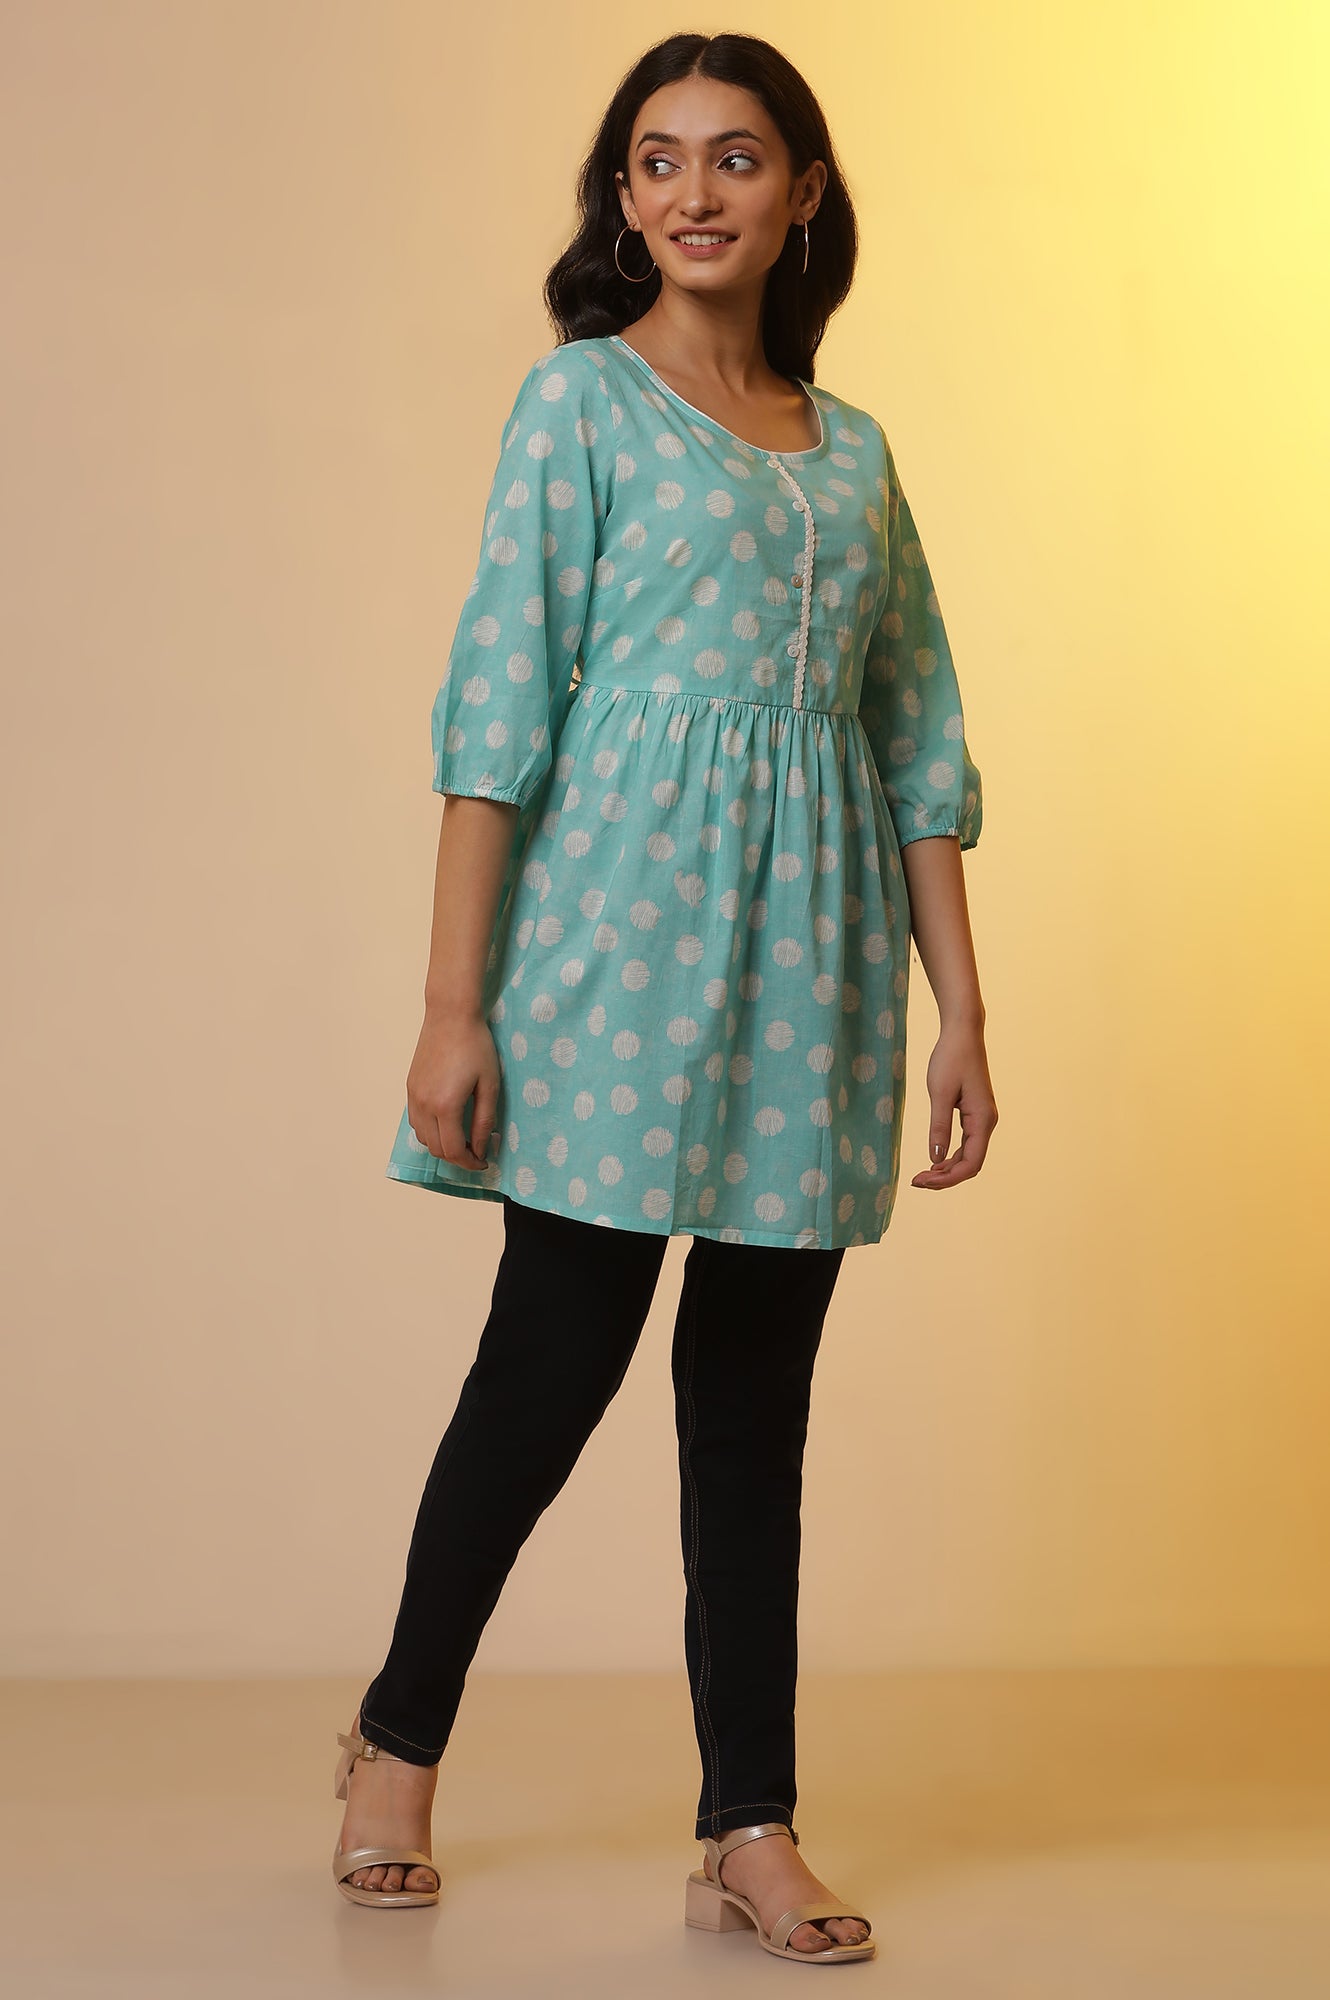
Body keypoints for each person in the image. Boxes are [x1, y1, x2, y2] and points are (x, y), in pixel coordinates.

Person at [332, 30, 998, 1965]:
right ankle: (394, 1747)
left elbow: (916, 744)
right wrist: (451, 1006)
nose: (693, 191)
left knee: (752, 1410)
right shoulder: (579, 407)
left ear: (802, 192)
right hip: (614, 955)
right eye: (655, 159)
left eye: (735, 156)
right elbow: (496, 711)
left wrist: (960, 1010)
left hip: (812, 977)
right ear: (622, 200)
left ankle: (747, 1826)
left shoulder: (855, 453)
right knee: (545, 1371)